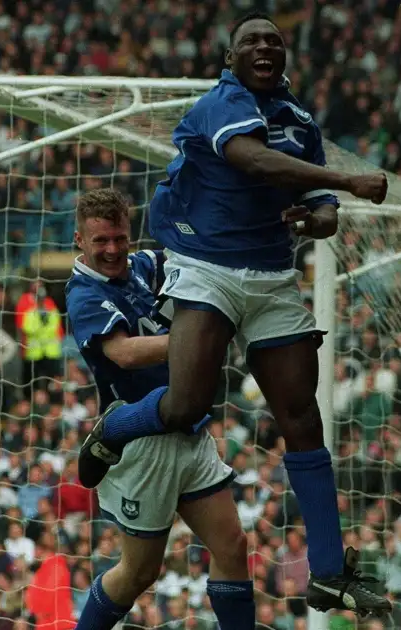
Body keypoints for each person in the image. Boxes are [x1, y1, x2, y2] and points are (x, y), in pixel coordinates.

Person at [75, 12, 392, 615]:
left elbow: (322, 209)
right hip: (206, 264)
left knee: (302, 415)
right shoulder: (220, 104)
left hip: (272, 275)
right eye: (252, 41)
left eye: (274, 40)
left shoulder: (301, 124)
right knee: (186, 404)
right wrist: (349, 180)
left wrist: (320, 214)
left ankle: (328, 571)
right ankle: (113, 429)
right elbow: (254, 160)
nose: (264, 47)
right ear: (231, 57)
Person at [65, 189, 254, 629]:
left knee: (232, 547)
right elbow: (124, 353)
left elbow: (189, 257)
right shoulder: (83, 293)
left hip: (188, 428)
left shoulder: (143, 265)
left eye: (119, 238)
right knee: (139, 573)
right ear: (80, 240)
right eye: (100, 241)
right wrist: (194, 339)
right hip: (143, 445)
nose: (112, 250)